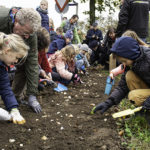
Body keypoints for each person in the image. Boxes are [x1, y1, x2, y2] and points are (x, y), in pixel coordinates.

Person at [93, 36, 150, 116]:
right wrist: (108, 102)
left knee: (134, 96)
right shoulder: (132, 62)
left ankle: (146, 112)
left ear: (131, 54)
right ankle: (143, 110)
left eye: (125, 61)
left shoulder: (148, 59)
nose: (124, 64)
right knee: (129, 76)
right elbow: (122, 86)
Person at [0, 7, 42, 113]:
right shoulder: (2, 18)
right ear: (17, 22)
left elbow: (32, 62)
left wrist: (32, 94)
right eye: (25, 32)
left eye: (30, 34)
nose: (27, 36)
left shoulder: (30, 34)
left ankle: (13, 100)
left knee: (23, 61)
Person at [0, 32, 29, 124]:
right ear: (7, 51)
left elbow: (5, 87)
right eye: (16, 57)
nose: (16, 61)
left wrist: (13, 108)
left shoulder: (2, 67)